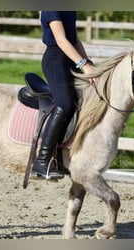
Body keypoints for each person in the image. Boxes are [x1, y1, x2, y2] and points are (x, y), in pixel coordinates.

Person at [31, 11, 96, 180]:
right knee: (65, 104)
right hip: (55, 60)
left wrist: (89, 64)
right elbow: (61, 40)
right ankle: (42, 161)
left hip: (71, 58)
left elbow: (75, 39)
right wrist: (83, 65)